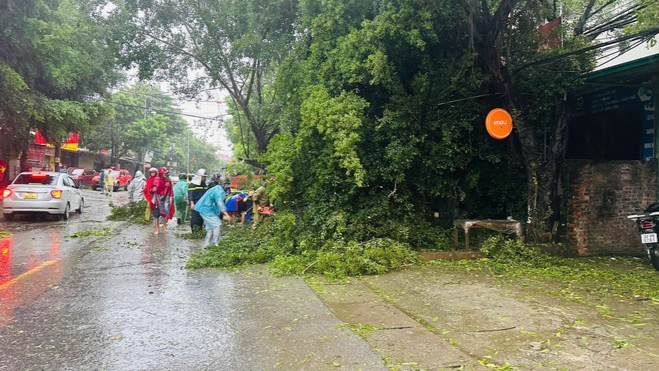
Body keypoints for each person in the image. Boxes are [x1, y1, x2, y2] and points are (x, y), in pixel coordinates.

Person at [194, 173, 232, 247]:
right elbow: (220, 203)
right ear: (222, 184)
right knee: (217, 225)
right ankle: (215, 244)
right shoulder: (218, 191)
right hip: (207, 209)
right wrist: (226, 214)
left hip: (207, 209)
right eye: (226, 184)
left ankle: (207, 245)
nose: (228, 186)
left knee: (211, 228)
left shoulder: (217, 188)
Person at [144, 167, 175, 234]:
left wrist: (171, 199)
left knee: (167, 213)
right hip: (156, 200)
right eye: (164, 173)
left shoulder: (168, 181)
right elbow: (150, 189)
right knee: (156, 215)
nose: (165, 175)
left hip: (165, 200)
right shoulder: (156, 180)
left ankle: (164, 225)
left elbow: (171, 191)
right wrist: (152, 190)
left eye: (166, 173)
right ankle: (156, 229)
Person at [188, 168, 208, 233]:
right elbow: (191, 194)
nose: (204, 178)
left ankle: (199, 230)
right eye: (203, 177)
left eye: (205, 177)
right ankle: (194, 231)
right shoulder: (193, 184)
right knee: (195, 218)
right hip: (195, 203)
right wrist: (192, 203)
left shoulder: (204, 184)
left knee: (200, 218)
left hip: (202, 203)